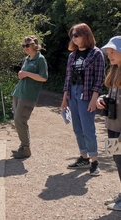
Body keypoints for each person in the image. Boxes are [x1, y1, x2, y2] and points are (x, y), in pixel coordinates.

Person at [61, 23, 105, 176]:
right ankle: (83, 157)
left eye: (76, 35)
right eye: (71, 36)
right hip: (73, 92)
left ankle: (94, 161)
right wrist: (64, 98)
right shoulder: (72, 55)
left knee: (88, 129)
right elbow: (68, 78)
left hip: (87, 94)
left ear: (85, 35)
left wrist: (94, 99)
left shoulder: (96, 54)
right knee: (77, 128)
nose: (73, 38)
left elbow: (99, 79)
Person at [11, 35, 48, 159]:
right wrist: (23, 75)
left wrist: (26, 73)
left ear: (34, 45)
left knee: (19, 119)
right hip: (19, 93)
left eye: (27, 45)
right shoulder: (26, 59)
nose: (25, 48)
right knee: (19, 121)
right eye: (24, 46)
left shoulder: (40, 59)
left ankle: (26, 148)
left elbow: (43, 77)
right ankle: (23, 147)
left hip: (29, 95)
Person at [96, 36, 121, 210]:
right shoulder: (114, 72)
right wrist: (103, 98)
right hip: (112, 125)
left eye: (113, 51)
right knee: (117, 160)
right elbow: (114, 96)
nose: (109, 55)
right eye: (108, 52)